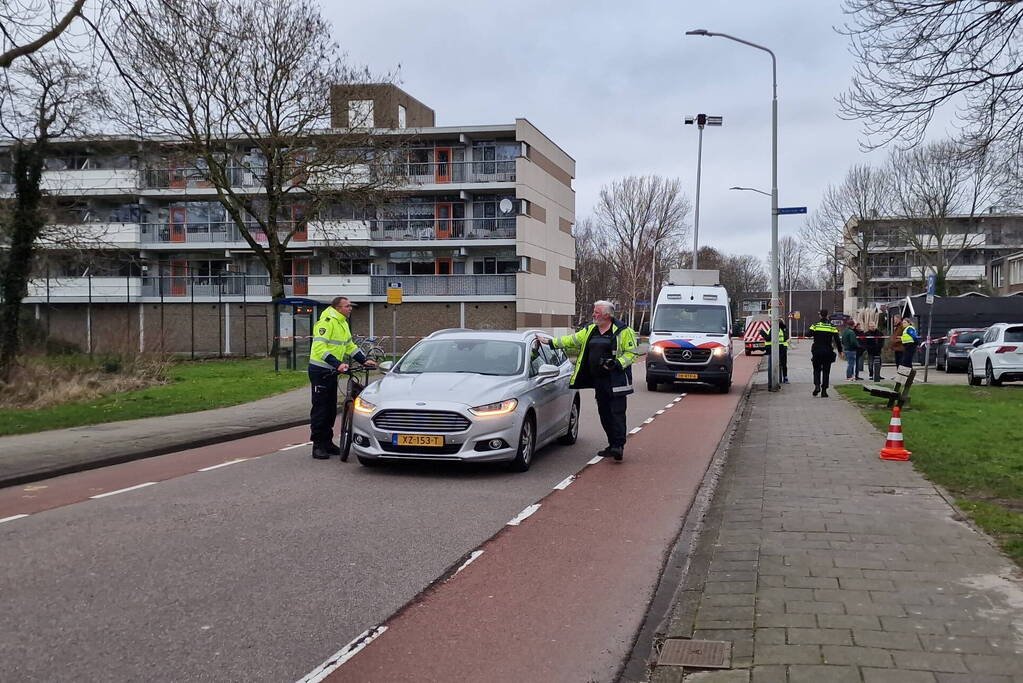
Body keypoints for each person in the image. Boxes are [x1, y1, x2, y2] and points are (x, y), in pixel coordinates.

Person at [543, 300, 637, 461]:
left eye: (597, 312)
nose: (593, 314)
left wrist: (616, 364)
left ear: (607, 315)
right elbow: (572, 340)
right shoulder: (590, 330)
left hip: (616, 381)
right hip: (599, 381)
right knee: (604, 413)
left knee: (617, 414)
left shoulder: (623, 331)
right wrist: (551, 343)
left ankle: (618, 446)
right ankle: (611, 444)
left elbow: (632, 353)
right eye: (594, 312)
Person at [308, 296, 376, 460]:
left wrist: (363, 359)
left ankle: (328, 442)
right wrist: (337, 363)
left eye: (350, 306)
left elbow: (349, 346)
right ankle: (318, 445)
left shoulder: (343, 323)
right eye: (347, 306)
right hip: (320, 370)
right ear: (338, 308)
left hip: (332, 370)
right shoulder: (326, 322)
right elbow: (319, 348)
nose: (350, 308)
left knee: (331, 408)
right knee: (320, 409)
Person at [809, 309, 842, 398]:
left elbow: (809, 334)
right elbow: (837, 340)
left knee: (816, 370)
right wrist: (840, 351)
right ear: (827, 315)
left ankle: (817, 386)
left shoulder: (815, 325)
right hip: (828, 351)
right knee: (826, 371)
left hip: (817, 351)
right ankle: (824, 391)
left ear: (820, 315)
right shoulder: (832, 326)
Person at [759, 318, 789, 383]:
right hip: (783, 348)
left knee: (773, 364)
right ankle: (785, 378)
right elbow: (786, 337)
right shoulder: (784, 329)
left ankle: (774, 380)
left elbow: (768, 338)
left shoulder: (773, 329)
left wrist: (762, 333)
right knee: (783, 364)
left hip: (774, 348)